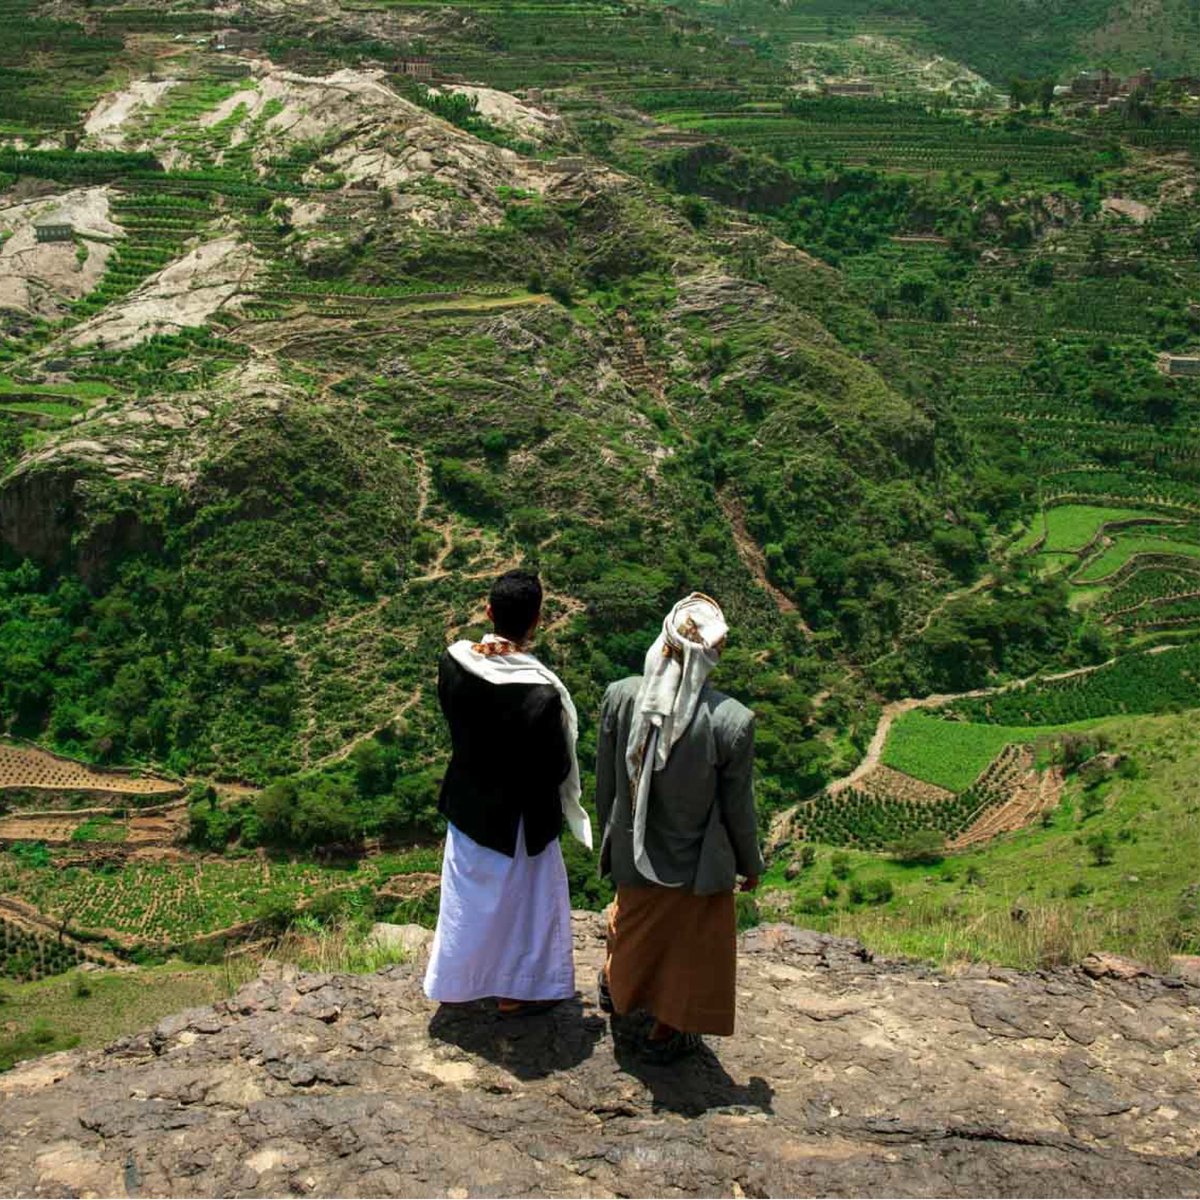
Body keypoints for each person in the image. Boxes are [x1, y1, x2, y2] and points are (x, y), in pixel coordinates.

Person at [594, 593, 763, 1061]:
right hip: (696, 867)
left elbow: (606, 783)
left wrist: (613, 840)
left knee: (631, 926)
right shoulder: (732, 722)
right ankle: (668, 1029)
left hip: (635, 849)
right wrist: (750, 864)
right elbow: (737, 810)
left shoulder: (621, 697)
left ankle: (616, 984)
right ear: (712, 654)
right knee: (693, 948)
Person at [423, 569, 593, 1014]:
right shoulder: (542, 694)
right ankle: (516, 994)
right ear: (537, 621)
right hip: (521, 819)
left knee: (467, 901)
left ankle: (458, 983)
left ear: (488, 612)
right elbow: (556, 767)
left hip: (469, 806)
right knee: (525, 908)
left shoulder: (455, 663)